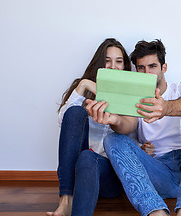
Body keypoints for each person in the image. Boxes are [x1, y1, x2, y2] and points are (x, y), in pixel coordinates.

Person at [86, 39, 181, 216]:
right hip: (160, 173)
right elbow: (127, 125)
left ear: (164, 67)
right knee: (112, 138)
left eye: (152, 66)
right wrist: (115, 120)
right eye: (141, 68)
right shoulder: (135, 99)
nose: (147, 73)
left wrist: (166, 108)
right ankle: (154, 211)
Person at [46, 38, 154, 216]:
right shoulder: (85, 89)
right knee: (75, 113)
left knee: (89, 157)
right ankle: (66, 202)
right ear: (99, 64)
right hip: (76, 170)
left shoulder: (132, 96)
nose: (113, 66)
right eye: (107, 60)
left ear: (125, 66)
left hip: (107, 173)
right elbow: (64, 122)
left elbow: (130, 128)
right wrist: (84, 85)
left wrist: (140, 149)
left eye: (119, 61)